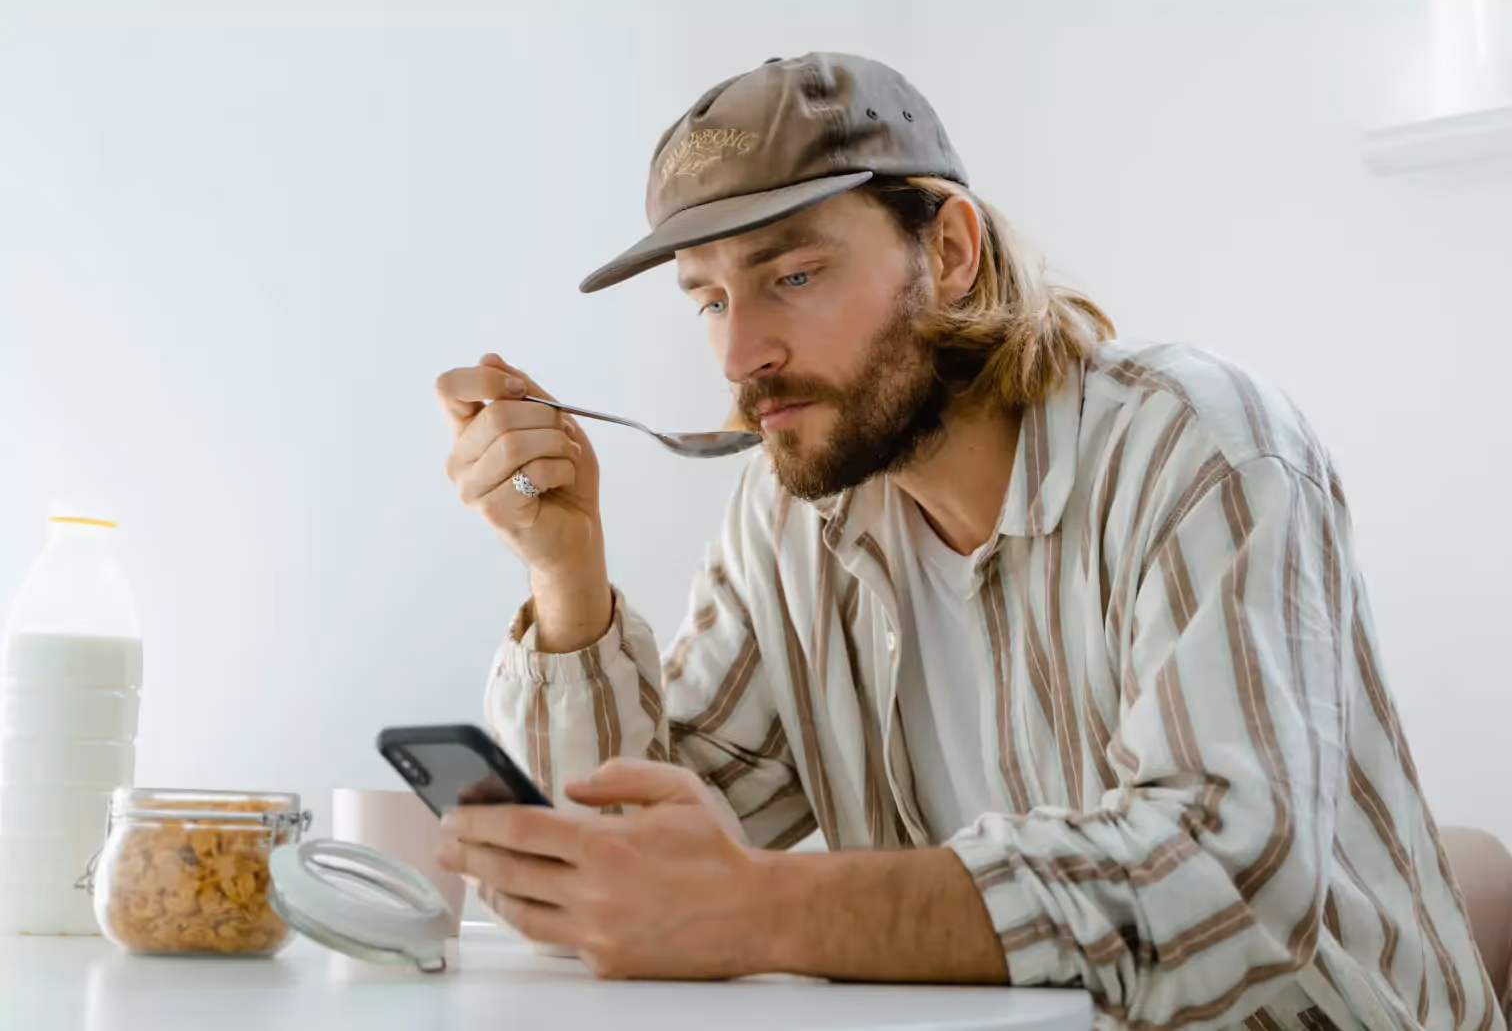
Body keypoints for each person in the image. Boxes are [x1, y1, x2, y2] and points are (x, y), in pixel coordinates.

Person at [432, 52, 1497, 1031]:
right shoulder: (791, 516)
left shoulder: (1202, 447)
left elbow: (1220, 877)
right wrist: (567, 573)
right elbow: (621, 872)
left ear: (947, 249)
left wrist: (758, 909)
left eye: (792, 275)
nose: (740, 353)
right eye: (709, 297)